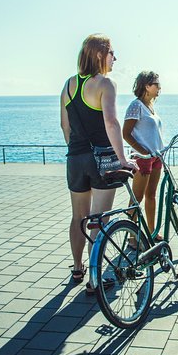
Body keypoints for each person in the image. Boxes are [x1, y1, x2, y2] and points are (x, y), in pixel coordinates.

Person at [60, 34, 134, 295]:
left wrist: (77, 150)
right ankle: (94, 279)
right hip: (103, 160)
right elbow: (111, 124)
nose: (115, 58)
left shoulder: (68, 85)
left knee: (78, 217)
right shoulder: (105, 83)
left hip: (75, 159)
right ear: (101, 54)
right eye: (113, 52)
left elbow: (65, 126)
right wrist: (124, 160)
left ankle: (77, 267)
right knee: (98, 220)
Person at [123, 71, 165, 240]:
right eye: (156, 84)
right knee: (137, 198)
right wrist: (143, 151)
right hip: (143, 159)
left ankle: (151, 231)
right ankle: (132, 237)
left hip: (156, 158)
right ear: (146, 86)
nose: (159, 87)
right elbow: (126, 133)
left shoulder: (150, 107)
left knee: (151, 196)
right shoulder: (136, 105)